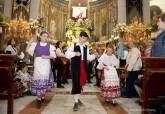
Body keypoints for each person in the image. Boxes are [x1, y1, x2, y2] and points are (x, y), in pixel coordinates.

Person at [65, 31, 97, 111]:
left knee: (80, 83)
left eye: (85, 39)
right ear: (79, 37)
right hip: (75, 66)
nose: (84, 40)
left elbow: (88, 57)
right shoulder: (74, 45)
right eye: (83, 38)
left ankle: (77, 99)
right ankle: (75, 102)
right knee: (76, 83)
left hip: (83, 66)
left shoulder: (86, 47)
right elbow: (66, 54)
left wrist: (94, 56)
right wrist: (75, 54)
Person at [26, 31, 56, 108]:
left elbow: (54, 56)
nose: (45, 37)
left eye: (47, 36)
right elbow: (27, 51)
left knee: (44, 80)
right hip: (38, 63)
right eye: (44, 36)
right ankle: (39, 99)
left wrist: (47, 57)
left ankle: (42, 96)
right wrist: (29, 42)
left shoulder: (50, 46)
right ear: (41, 36)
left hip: (46, 64)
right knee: (38, 80)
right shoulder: (35, 44)